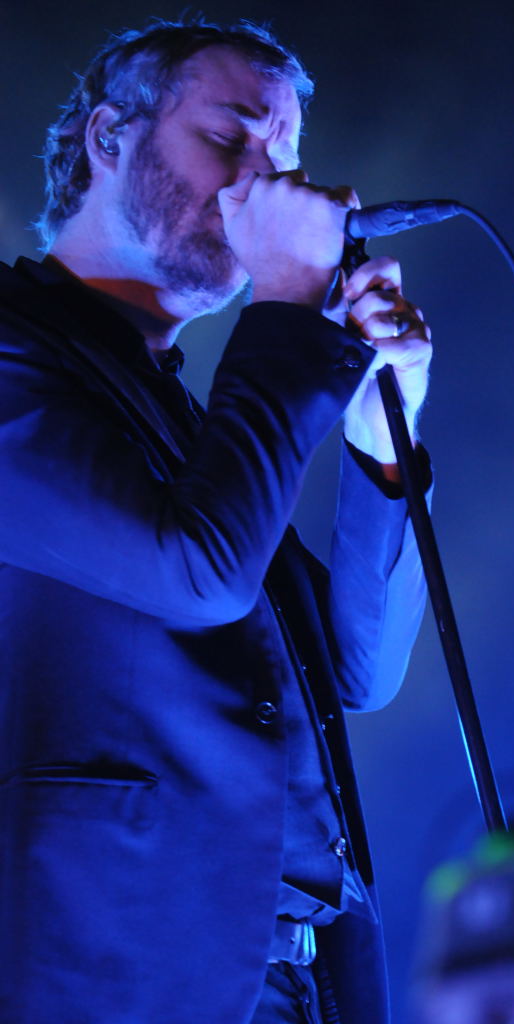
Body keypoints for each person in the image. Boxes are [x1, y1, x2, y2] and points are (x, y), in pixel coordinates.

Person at [0, 18, 432, 1024]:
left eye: (282, 154)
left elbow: (357, 670)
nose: (262, 183)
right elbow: (198, 573)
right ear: (110, 136)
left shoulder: (182, 413)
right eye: (231, 136)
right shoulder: (16, 357)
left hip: (295, 978)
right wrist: (284, 307)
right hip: (120, 970)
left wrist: (380, 437)